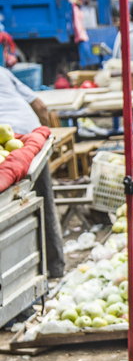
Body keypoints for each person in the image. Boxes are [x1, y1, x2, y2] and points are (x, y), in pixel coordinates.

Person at [0, 67, 64, 278]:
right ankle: (55, 268)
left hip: (12, 142)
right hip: (31, 138)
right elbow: (40, 105)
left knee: (13, 209)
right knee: (44, 199)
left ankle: (26, 273)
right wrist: (44, 142)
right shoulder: (2, 71)